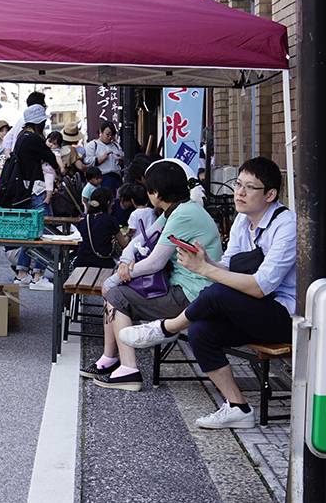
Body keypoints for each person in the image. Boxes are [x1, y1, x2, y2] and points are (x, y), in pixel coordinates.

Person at [119, 157, 297, 429]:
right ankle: (238, 407)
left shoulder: (286, 225)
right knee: (201, 331)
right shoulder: (242, 220)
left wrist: (205, 270)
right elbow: (228, 266)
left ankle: (164, 329)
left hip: (282, 317)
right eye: (238, 184)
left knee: (216, 294)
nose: (240, 192)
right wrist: (204, 262)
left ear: (270, 195)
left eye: (250, 188)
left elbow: (262, 286)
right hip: (249, 309)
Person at [86, 160, 223, 390]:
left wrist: (118, 276)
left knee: (116, 295)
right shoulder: (179, 209)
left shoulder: (183, 214)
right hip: (187, 288)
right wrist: (127, 258)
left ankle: (128, 369)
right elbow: (143, 237)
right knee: (115, 291)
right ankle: (110, 359)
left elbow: (154, 263)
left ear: (156, 193)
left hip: (192, 295)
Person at [10, 103, 62, 291]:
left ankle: (22, 273)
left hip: (24, 189)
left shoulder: (21, 137)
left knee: (30, 232)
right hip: (37, 189)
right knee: (45, 230)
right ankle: (38, 275)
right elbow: (50, 157)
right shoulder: (34, 139)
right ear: (39, 123)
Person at [100, 183, 161, 294]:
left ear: (133, 201)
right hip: (150, 244)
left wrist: (126, 234)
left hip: (137, 245)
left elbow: (132, 230)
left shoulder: (134, 214)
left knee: (129, 264)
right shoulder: (152, 211)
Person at [73, 187, 121, 269]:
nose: (113, 204)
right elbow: (123, 243)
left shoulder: (84, 220)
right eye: (112, 201)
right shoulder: (110, 220)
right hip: (103, 264)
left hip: (81, 263)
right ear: (108, 202)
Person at [2, 90, 46, 155]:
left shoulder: (23, 120)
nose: (45, 106)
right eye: (43, 104)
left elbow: (7, 139)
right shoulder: (27, 122)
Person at [84, 121, 124, 193]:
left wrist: (120, 160)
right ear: (101, 132)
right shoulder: (93, 145)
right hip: (102, 177)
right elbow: (87, 162)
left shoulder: (116, 145)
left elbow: (121, 159)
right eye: (107, 134)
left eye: (112, 135)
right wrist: (101, 159)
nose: (110, 137)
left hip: (117, 177)